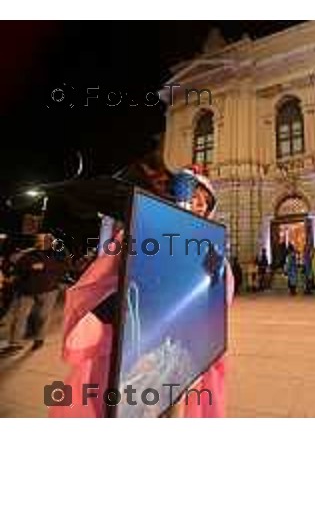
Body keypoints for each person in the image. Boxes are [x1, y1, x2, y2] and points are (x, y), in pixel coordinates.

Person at [50, 158, 234, 418]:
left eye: (206, 199)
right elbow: (104, 280)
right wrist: (114, 306)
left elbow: (217, 301)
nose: (200, 203)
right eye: (194, 195)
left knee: (175, 409)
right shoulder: (139, 233)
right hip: (139, 345)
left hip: (184, 351)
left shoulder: (212, 250)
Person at [0, 233, 65, 355]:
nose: (40, 242)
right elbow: (17, 265)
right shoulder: (29, 253)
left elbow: (65, 265)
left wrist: (45, 265)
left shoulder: (56, 253)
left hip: (48, 290)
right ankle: (15, 343)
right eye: (38, 239)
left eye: (44, 239)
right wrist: (29, 266)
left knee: (42, 316)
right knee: (20, 316)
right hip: (27, 290)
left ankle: (39, 338)